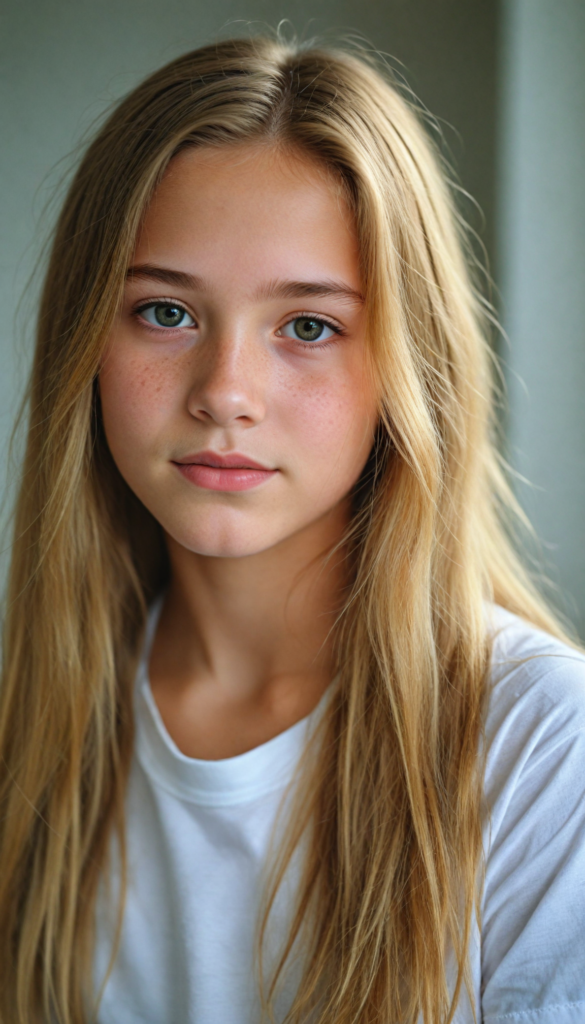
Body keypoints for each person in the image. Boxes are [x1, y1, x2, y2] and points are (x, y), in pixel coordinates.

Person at [0, 33, 584, 1024]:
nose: (225, 392)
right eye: (165, 312)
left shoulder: (540, 748)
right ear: (84, 339)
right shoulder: (34, 724)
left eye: (308, 326)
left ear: (407, 367)